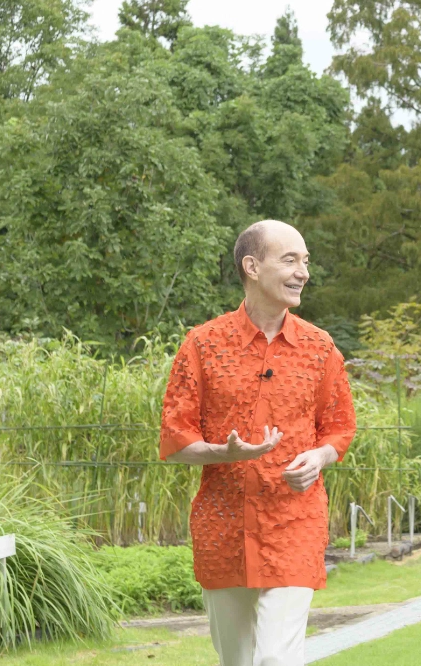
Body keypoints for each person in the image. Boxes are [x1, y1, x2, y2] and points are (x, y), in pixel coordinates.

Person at [159, 220, 356, 666]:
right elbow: (176, 436)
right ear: (252, 266)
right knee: (238, 660)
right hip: (223, 528)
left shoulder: (320, 348)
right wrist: (221, 453)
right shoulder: (202, 345)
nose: (303, 271)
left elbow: (340, 429)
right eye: (290, 260)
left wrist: (319, 457)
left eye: (305, 261)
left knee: (277, 659)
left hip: (294, 524)